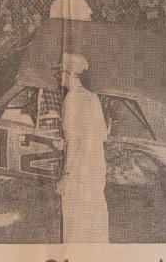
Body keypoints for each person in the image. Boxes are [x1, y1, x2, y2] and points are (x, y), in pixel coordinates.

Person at [56, 53, 109, 243]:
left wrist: (65, 175)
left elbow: (74, 143)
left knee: (74, 223)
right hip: (96, 165)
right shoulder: (92, 97)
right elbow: (102, 134)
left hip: (78, 170)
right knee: (95, 219)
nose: (58, 76)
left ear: (69, 74)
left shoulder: (70, 100)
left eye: (60, 71)